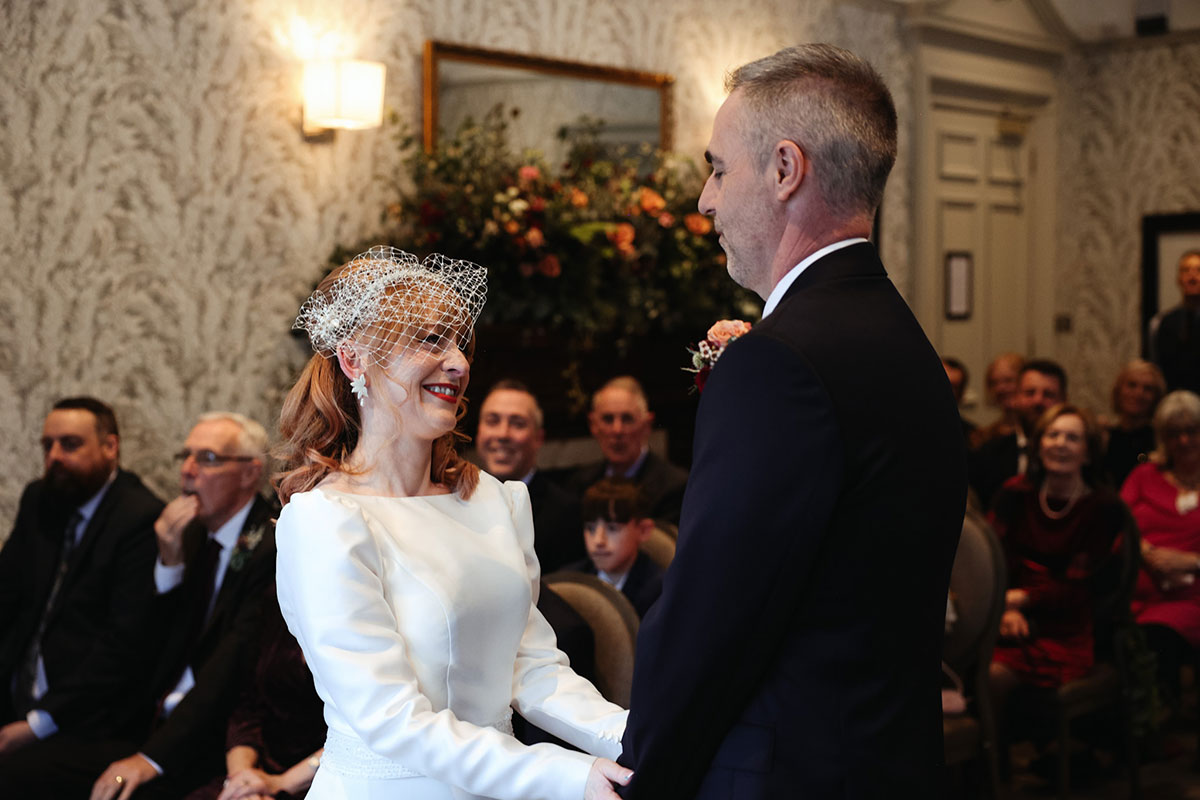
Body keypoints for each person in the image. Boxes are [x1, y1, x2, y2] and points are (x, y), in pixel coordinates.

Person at [617, 45, 967, 799]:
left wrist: (640, 777)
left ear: (785, 169)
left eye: (718, 169)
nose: (705, 201)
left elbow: (712, 618)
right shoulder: (905, 339)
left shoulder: (780, 363)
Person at [274, 246, 629, 800]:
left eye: (459, 342)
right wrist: (561, 775)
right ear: (354, 360)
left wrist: (633, 739)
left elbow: (532, 667)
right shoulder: (326, 521)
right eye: (429, 340)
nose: (459, 363)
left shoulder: (493, 501)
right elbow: (391, 718)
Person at [0, 398, 162, 764]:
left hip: (86, 717)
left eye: (70, 444)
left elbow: (122, 644)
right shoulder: (40, 498)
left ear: (110, 447)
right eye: (48, 445)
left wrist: (38, 724)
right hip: (16, 689)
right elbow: (6, 594)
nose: (55, 456)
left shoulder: (139, 518)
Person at [987, 405, 1125, 750]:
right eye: (1053, 435)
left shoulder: (1103, 508)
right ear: (1039, 445)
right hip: (1006, 619)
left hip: (1065, 631)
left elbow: (1080, 588)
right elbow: (990, 562)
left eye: (1073, 438)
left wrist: (1022, 600)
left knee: (991, 677)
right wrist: (1004, 608)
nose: (1061, 443)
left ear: (1088, 453)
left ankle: (989, 769)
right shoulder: (1014, 494)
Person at [183, 584, 326, 800]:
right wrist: (241, 781)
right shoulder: (277, 599)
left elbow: (358, 736)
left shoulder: (364, 617)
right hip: (257, 767)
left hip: (322, 778)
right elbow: (249, 704)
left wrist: (281, 783)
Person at [1121, 390, 1200, 709]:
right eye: (1174, 433)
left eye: (1192, 431)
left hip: (1190, 596)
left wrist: (1192, 561)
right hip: (1136, 592)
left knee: (1154, 637)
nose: (1184, 441)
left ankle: (1155, 719)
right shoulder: (1144, 475)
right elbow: (1116, 523)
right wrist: (1146, 552)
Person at [477, 380, 584, 572]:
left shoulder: (566, 514)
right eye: (493, 421)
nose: (503, 434)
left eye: (517, 424)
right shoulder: (457, 500)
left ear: (538, 438)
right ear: (478, 431)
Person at [568, 377, 688, 527]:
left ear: (647, 425)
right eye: (608, 419)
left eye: (627, 419)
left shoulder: (674, 487)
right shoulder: (580, 484)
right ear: (593, 425)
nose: (617, 430)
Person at [969, 359, 1067, 510]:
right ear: (1016, 398)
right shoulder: (988, 454)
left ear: (1063, 400)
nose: (1038, 401)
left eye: (1048, 394)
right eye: (1030, 393)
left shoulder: (1077, 456)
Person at [566, 479, 663, 619]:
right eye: (591, 528)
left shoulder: (659, 591)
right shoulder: (570, 581)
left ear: (643, 530)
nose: (598, 541)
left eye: (612, 528)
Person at [1102, 359, 1166, 488]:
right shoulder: (1105, 437)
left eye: (1147, 389)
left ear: (1156, 397)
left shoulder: (1162, 440)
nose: (1138, 393)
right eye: (1132, 385)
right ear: (1118, 391)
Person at [1149, 249, 1200, 393]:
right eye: (1186, 270)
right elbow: (1155, 369)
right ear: (1179, 279)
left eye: (1198, 270)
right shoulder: (1161, 323)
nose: (1192, 276)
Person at [942, 356, 977, 439]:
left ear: (961, 394)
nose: (946, 391)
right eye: (942, 383)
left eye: (954, 387)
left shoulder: (970, 435)